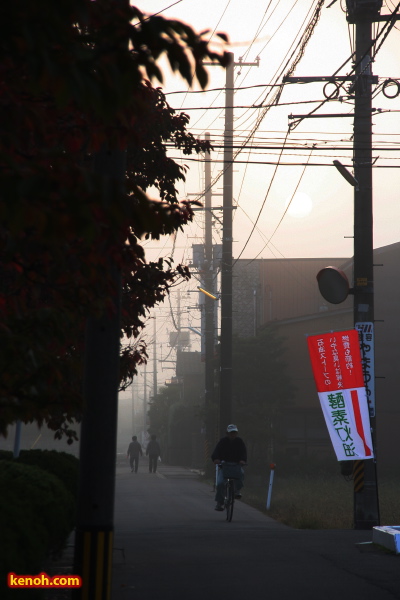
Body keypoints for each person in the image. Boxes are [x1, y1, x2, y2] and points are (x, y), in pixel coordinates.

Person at [211, 424, 247, 511]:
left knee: (241, 474)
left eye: (234, 432)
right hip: (224, 465)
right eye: (231, 433)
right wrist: (216, 459)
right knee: (220, 483)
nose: (233, 434)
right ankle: (220, 503)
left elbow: (244, 452)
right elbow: (216, 452)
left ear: (236, 433)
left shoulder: (239, 441)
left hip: (236, 465)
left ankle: (237, 490)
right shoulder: (222, 441)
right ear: (227, 433)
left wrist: (242, 460)